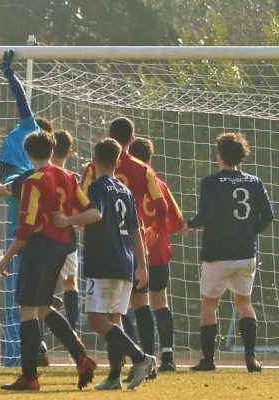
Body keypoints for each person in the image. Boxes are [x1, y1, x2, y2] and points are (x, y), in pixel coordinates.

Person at [0, 130, 96, 391]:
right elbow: (89, 209)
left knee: (28, 310)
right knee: (42, 307)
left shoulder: (33, 181)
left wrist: (7, 258)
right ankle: (80, 355)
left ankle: (29, 377)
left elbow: (27, 226)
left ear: (28, 155)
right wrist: (68, 222)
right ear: (52, 152)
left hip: (39, 247)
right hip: (62, 247)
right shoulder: (69, 177)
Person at [55, 137, 156, 391]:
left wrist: (67, 220)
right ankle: (114, 377)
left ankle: (141, 358)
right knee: (114, 318)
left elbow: (96, 214)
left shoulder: (98, 186)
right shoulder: (126, 190)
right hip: (126, 262)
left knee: (96, 320)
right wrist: (142, 265)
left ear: (93, 160)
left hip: (105, 261)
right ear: (119, 160)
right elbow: (136, 231)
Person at [81, 117, 167, 371]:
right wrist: (152, 232)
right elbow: (162, 207)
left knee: (101, 317)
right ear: (132, 139)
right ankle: (143, 361)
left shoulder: (92, 172)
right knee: (140, 307)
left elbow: (82, 202)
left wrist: (75, 221)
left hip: (105, 250)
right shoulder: (143, 168)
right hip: (132, 246)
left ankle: (139, 358)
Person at [183, 132, 273, 372]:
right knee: (244, 302)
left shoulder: (211, 182)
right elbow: (269, 215)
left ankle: (208, 360)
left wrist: (189, 224)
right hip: (245, 252)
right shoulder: (254, 181)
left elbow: (206, 215)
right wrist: (250, 231)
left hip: (218, 253)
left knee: (210, 304)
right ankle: (251, 359)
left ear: (219, 155)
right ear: (241, 156)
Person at [0, 129, 80, 335]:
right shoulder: (73, 178)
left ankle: (40, 344)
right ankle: (73, 330)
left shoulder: (31, 178)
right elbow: (87, 209)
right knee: (70, 283)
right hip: (67, 239)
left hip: (40, 243)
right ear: (69, 152)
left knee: (34, 298)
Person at [0, 48, 53, 366]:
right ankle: (31, 350)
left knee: (21, 293)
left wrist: (9, 72)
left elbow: (20, 100)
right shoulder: (30, 135)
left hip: (18, 215)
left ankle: (18, 356)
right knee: (36, 292)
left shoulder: (19, 142)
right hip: (43, 223)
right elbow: (22, 102)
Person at [129, 137, 183, 372]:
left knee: (131, 304)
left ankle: (134, 354)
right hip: (158, 251)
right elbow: (177, 220)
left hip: (131, 252)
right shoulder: (159, 184)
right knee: (160, 302)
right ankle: (168, 356)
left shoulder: (126, 183)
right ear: (150, 158)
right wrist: (158, 232)